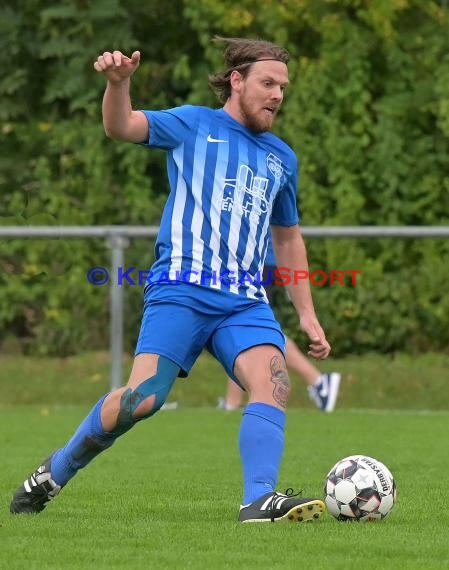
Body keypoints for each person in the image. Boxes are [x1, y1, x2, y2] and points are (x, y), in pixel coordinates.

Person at [10, 37, 331, 523]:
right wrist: (119, 85)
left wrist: (307, 314)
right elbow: (121, 126)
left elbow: (287, 238)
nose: (277, 95)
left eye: (283, 87)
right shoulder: (193, 124)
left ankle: (258, 500)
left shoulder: (281, 158)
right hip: (180, 289)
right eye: (268, 84)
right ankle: (54, 472)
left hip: (244, 301)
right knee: (143, 401)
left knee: (273, 383)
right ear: (237, 81)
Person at [218, 234, 340, 412]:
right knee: (246, 327)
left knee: (244, 326)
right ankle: (318, 381)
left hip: (256, 260)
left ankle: (318, 380)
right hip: (259, 260)